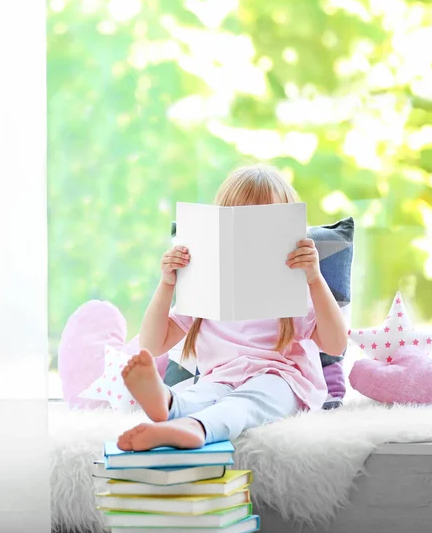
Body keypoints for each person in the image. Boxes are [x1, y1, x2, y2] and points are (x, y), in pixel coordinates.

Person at [117, 165, 348, 452]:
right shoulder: (207, 285)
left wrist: (314, 278)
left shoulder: (296, 285)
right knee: (201, 394)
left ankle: (194, 427)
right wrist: (166, 284)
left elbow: (336, 344)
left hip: (282, 379)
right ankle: (167, 403)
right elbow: (152, 345)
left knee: (251, 400)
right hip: (220, 378)